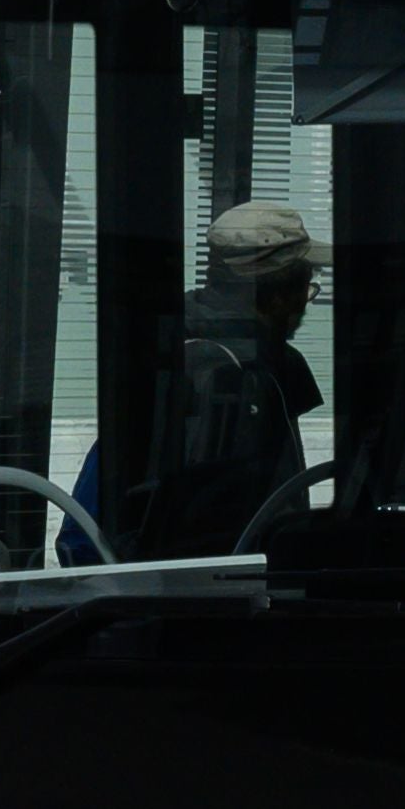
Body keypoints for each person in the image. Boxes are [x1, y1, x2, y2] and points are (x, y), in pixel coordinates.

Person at [115, 200, 323, 557]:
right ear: (275, 297)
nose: (306, 303)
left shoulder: (167, 342)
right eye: (306, 287)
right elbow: (267, 503)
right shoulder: (247, 372)